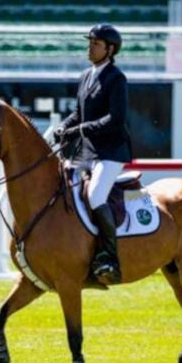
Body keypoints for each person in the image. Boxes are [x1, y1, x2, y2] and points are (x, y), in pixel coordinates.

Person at [52, 23, 132, 285]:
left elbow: (116, 119)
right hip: (87, 152)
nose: (90, 48)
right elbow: (78, 112)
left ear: (109, 49)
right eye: (89, 43)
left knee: (96, 195)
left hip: (111, 151)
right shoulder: (86, 75)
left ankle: (110, 257)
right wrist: (65, 127)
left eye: (95, 44)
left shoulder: (116, 78)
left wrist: (81, 129)